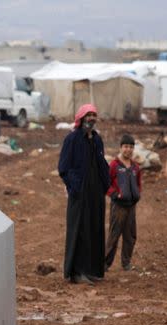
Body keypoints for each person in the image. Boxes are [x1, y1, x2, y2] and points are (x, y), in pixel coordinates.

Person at [58, 104, 111, 285]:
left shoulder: (96, 139)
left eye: (94, 115)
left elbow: (101, 163)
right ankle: (77, 272)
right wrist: (74, 187)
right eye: (88, 115)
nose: (91, 118)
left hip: (95, 193)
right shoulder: (72, 139)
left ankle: (92, 270)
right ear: (81, 118)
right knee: (80, 230)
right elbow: (63, 168)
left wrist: (106, 185)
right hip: (79, 193)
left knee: (94, 228)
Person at [105, 134, 142, 271]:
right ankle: (105, 263)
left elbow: (138, 184)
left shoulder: (135, 167)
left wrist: (137, 195)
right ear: (121, 147)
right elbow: (106, 184)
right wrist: (114, 194)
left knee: (130, 235)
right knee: (114, 235)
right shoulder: (114, 165)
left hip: (131, 206)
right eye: (126, 146)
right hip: (118, 206)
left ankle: (126, 263)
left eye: (131, 147)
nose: (129, 150)